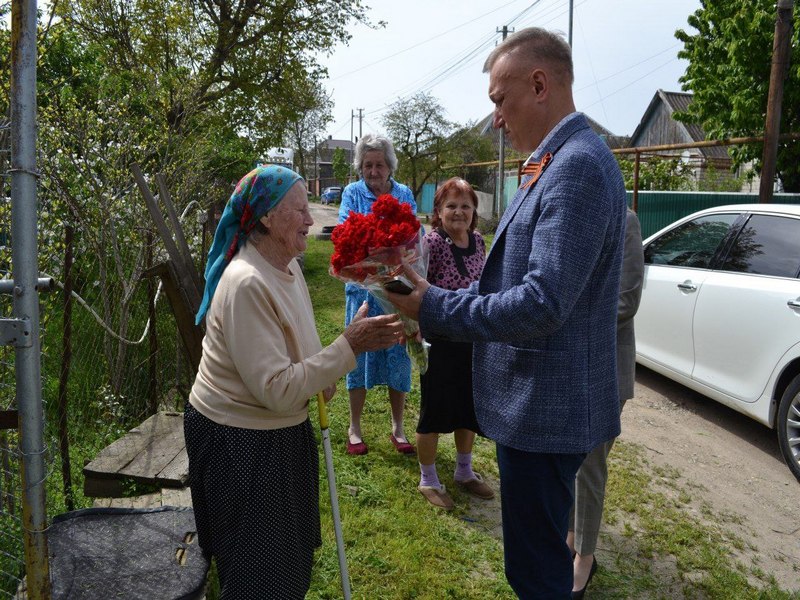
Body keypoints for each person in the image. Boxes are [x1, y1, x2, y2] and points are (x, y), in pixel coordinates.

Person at [387, 28, 627, 598]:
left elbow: (543, 301)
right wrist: (433, 294)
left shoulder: (577, 167)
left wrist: (435, 305)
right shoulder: (557, 161)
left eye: (499, 99)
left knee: (536, 570)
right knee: (537, 556)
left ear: (539, 84)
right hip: (540, 405)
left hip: (547, 409)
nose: (495, 118)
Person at [186, 165, 404, 599]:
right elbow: (278, 390)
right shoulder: (247, 281)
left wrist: (332, 360)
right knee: (258, 575)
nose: (310, 220)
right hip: (241, 444)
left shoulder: (285, 265)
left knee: (286, 562)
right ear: (266, 216)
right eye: (300, 210)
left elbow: (300, 347)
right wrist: (347, 348)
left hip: (275, 437)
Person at [567, 208, 644, 597]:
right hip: (565, 364)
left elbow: (626, 300)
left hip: (605, 368)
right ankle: (569, 539)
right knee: (566, 458)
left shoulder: (623, 220)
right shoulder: (569, 215)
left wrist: (564, 317)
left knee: (589, 466)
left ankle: (585, 557)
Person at [337, 133, 418, 456]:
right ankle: (354, 427)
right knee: (358, 355)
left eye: (379, 164)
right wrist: (378, 247)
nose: (373, 171)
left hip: (397, 288)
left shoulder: (404, 193)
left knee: (399, 356)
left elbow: (413, 236)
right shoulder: (352, 193)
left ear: (389, 166)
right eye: (368, 164)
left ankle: (398, 427)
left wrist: (391, 247)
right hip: (362, 291)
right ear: (360, 166)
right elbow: (345, 235)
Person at [416, 178, 494, 510]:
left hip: (473, 339)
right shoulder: (430, 242)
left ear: (474, 211)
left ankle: (464, 471)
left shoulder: (479, 242)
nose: (458, 212)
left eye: (465, 205)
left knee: (468, 409)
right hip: (439, 340)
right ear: (438, 211)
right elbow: (416, 287)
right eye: (451, 205)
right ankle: (428, 479)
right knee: (434, 410)